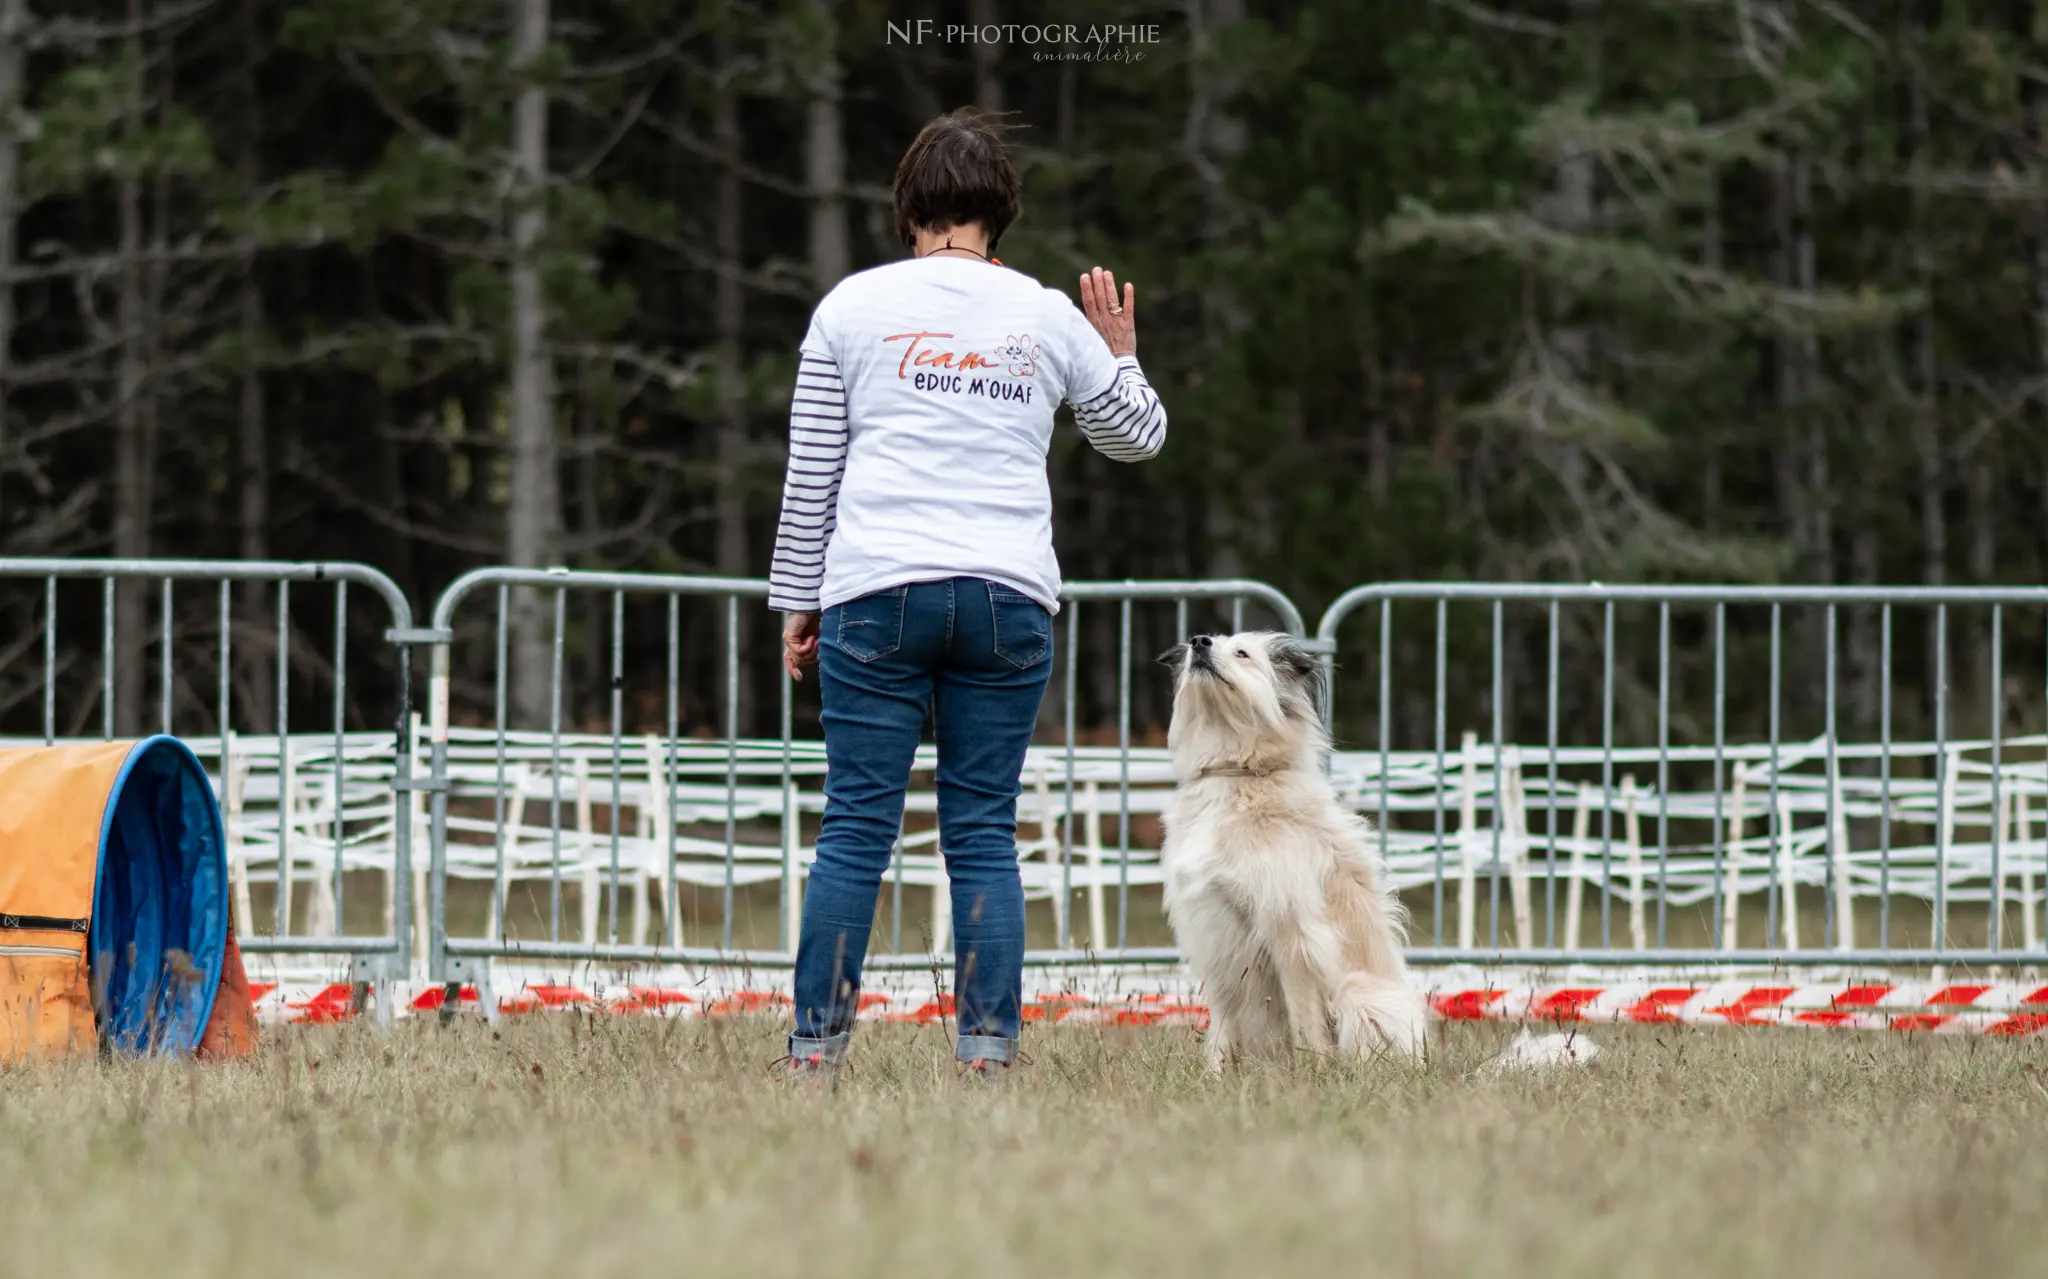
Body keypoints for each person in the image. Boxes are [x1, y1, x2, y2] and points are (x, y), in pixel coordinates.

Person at [767, 107, 1168, 1080]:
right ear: (1002, 212)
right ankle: (986, 1048)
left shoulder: (851, 308)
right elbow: (1137, 436)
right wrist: (1119, 354)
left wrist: (795, 599)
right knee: (981, 828)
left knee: (856, 827)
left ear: (908, 207)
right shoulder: (1042, 314)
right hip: (1005, 596)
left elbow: (810, 470)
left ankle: (816, 1047)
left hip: (877, 588)